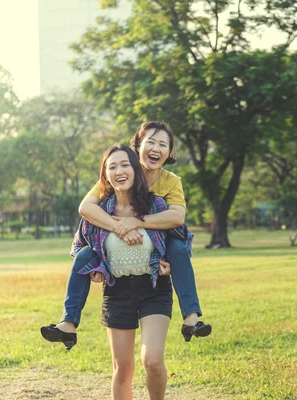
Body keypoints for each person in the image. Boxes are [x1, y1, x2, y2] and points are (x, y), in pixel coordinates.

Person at [41, 121, 210, 349]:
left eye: (163, 144)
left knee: (178, 250)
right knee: (82, 257)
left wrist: (135, 222)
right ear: (137, 146)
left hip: (158, 247)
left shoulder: (170, 181)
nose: (156, 148)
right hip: (115, 251)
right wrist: (117, 227)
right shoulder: (122, 170)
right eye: (150, 142)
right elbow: (86, 207)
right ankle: (68, 323)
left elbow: (177, 217)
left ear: (169, 152)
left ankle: (191, 318)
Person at [50, 144, 185, 399]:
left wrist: (168, 263)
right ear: (105, 175)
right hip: (117, 291)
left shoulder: (156, 205)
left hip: (154, 289)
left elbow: (179, 237)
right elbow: (84, 248)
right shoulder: (100, 210)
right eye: (112, 167)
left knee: (152, 360)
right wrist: (97, 269)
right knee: (122, 368)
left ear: (135, 170)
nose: (119, 171)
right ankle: (68, 322)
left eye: (125, 165)